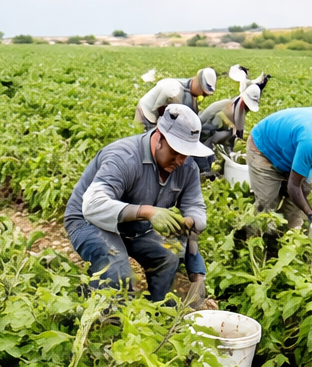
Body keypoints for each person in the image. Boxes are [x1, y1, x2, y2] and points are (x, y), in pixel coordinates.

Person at [65, 104, 212, 301]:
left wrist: (192, 221)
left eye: (186, 153)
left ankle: (157, 313)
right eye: (176, 151)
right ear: (159, 136)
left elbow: (195, 204)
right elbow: (92, 205)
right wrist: (147, 212)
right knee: (116, 267)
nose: (180, 160)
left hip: (134, 227)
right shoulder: (123, 157)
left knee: (168, 258)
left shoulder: (187, 167)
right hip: (88, 220)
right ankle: (102, 316)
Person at [136, 68, 217, 128]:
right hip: (146, 114)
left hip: (156, 114)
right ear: (197, 84)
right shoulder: (176, 91)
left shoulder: (188, 89)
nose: (202, 96)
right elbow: (164, 112)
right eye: (203, 94)